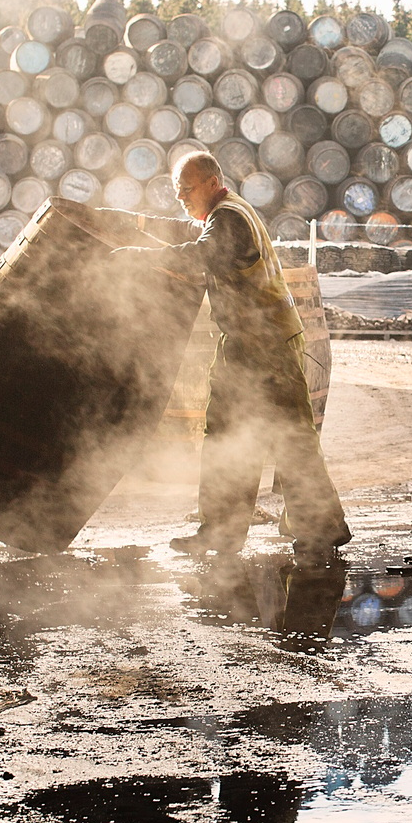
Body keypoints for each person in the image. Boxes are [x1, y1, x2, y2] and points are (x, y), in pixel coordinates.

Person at [109, 150, 350, 562]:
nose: (182, 197)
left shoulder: (230, 220)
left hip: (269, 343)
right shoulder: (226, 211)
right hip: (243, 341)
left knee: (290, 437)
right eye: (177, 191)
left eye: (187, 189)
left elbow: (200, 253)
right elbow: (188, 231)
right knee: (224, 434)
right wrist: (135, 223)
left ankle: (321, 529)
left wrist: (135, 258)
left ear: (211, 182)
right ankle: (220, 530)